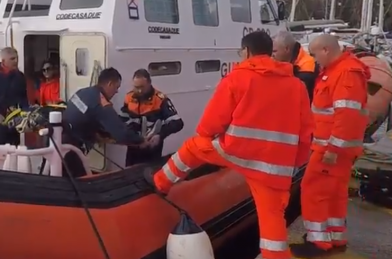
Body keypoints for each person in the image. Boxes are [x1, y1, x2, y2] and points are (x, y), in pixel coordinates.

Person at [148, 31, 314, 259]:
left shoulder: (237, 78)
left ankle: (160, 184)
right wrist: (291, 166)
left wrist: (212, 137)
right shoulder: (297, 86)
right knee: (273, 227)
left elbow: (208, 127)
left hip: (236, 153)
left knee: (192, 147)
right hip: (273, 168)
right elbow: (306, 135)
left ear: (246, 52)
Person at [289, 34, 370, 258]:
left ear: (326, 50)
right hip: (335, 147)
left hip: (331, 149)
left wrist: (333, 149)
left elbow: (347, 115)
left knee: (313, 190)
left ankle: (317, 241)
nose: (314, 61)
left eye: (315, 55)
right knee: (334, 193)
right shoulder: (340, 71)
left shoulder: (344, 73)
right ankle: (334, 236)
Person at [61, 67, 145, 177]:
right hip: (72, 150)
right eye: (116, 87)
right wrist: (140, 140)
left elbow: (83, 116)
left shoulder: (82, 92)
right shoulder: (101, 102)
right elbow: (121, 133)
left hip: (59, 141)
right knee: (78, 183)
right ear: (110, 84)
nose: (117, 91)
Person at [120, 69, 184, 166]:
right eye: (136, 87)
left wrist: (160, 135)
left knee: (150, 176)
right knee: (129, 174)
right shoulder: (128, 97)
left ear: (149, 83)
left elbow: (177, 123)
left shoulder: (160, 99)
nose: (139, 90)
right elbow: (122, 119)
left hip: (152, 147)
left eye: (142, 87)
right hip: (133, 146)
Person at [272, 30, 319, 101]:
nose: (272, 55)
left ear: (287, 49)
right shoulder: (281, 61)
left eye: (274, 51)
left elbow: (297, 92)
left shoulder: (307, 64)